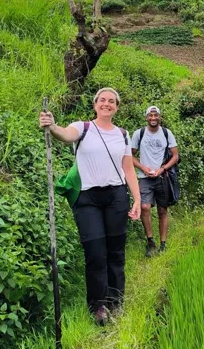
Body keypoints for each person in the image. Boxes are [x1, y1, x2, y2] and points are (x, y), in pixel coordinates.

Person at [39, 87, 141, 325]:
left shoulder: (123, 135)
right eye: (102, 100)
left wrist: (137, 199)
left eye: (112, 101)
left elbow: (128, 169)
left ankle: (116, 301)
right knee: (95, 253)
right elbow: (64, 134)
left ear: (116, 106)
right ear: (95, 104)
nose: (107, 104)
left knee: (116, 253)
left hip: (116, 196)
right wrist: (52, 126)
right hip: (88, 199)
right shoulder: (82, 127)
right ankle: (98, 306)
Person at [131, 106, 179, 257]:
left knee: (162, 210)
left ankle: (163, 243)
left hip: (162, 177)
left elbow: (175, 156)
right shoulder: (139, 133)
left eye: (156, 115)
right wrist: (143, 168)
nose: (153, 118)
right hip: (144, 178)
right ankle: (151, 242)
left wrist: (162, 169)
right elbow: (130, 156)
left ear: (159, 117)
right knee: (145, 207)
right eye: (150, 115)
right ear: (146, 117)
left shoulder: (166, 133)